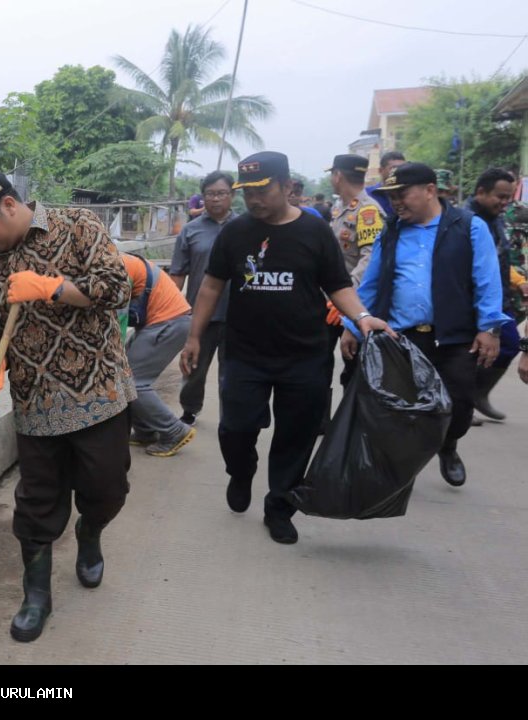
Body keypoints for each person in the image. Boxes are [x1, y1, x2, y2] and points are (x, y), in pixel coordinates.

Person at [0, 169, 135, 643]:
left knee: (107, 488)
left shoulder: (78, 225)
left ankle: (89, 534)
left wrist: (52, 288)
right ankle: (36, 595)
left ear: (8, 205)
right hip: (36, 404)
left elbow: (118, 287)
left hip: (99, 395)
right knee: (36, 504)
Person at [179, 151, 392, 546]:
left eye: (263, 190)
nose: (254, 200)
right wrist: (194, 336)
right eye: (249, 192)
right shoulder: (236, 232)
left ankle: (279, 506)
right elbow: (211, 286)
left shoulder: (314, 233)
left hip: (305, 356)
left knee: (296, 436)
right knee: (235, 428)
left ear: (287, 187)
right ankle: (240, 471)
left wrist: (361, 318)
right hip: (245, 353)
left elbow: (339, 286)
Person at [342, 163, 510, 488]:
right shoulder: (390, 231)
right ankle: (401, 467)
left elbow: (488, 281)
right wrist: (353, 323)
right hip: (401, 337)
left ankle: (448, 446)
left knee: (459, 407)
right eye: (391, 198)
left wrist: (489, 328)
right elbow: (371, 284)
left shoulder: (469, 227)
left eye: (402, 194)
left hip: (454, 339)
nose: (396, 203)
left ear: (430, 190)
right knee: (399, 408)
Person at [320, 154, 388, 428]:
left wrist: (343, 296)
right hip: (329, 302)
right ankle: (320, 420)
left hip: (354, 303)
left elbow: (370, 259)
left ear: (338, 175)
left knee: (354, 365)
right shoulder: (341, 209)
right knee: (319, 362)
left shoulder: (368, 211)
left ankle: (351, 424)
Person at [170, 171, 238, 426]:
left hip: (238, 315)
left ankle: (230, 418)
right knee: (194, 369)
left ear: (232, 195)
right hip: (201, 315)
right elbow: (177, 273)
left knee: (232, 374)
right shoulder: (190, 231)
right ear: (203, 197)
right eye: (210, 194)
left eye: (222, 193)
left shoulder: (245, 228)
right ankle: (189, 410)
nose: (216, 199)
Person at [121, 252, 195, 457]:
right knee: (126, 377)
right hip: (168, 321)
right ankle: (145, 431)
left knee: (132, 381)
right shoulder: (117, 258)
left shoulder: (116, 265)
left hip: (168, 322)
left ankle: (174, 430)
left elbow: (116, 319)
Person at [463, 168, 523, 421]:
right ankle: (463, 405)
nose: (505, 202)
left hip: (499, 298)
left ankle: (479, 394)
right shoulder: (463, 221)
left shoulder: (496, 218)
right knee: (467, 354)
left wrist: (519, 282)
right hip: (471, 301)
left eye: (508, 197)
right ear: (481, 193)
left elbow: (500, 259)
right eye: (500, 196)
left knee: (509, 344)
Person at [367, 151, 407, 218]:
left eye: (402, 168)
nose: (399, 172)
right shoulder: (367, 194)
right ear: (380, 170)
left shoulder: (408, 192)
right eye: (393, 168)